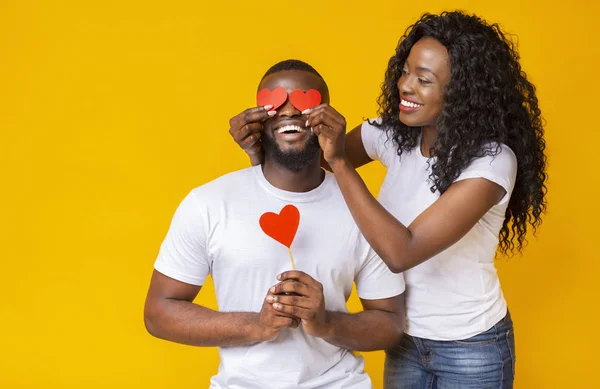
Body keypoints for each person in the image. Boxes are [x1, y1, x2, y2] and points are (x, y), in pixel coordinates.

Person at [231, 11, 547, 389]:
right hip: (401, 339)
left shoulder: (492, 162)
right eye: (406, 71)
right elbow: (300, 170)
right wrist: (258, 147)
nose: (406, 86)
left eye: (424, 80)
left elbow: (403, 251)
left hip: (471, 346)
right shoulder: (391, 135)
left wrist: (339, 161)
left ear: (462, 92)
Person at [144, 59, 406, 389]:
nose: (289, 111)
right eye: (276, 103)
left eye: (302, 102)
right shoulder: (209, 203)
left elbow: (391, 322)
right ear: (259, 120)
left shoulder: (361, 210)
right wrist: (256, 324)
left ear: (325, 115)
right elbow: (158, 313)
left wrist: (326, 324)